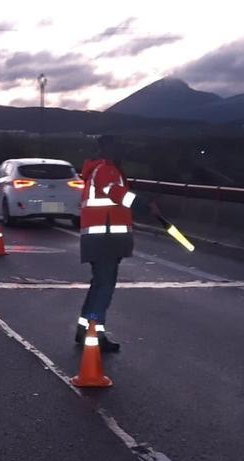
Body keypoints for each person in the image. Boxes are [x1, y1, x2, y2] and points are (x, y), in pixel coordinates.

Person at [75, 135, 162, 353]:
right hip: (105, 238)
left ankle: (85, 328)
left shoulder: (99, 169)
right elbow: (119, 195)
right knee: (104, 287)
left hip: (102, 237)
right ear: (108, 149)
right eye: (118, 147)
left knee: (99, 285)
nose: (121, 151)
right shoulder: (106, 170)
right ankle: (95, 332)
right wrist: (145, 205)